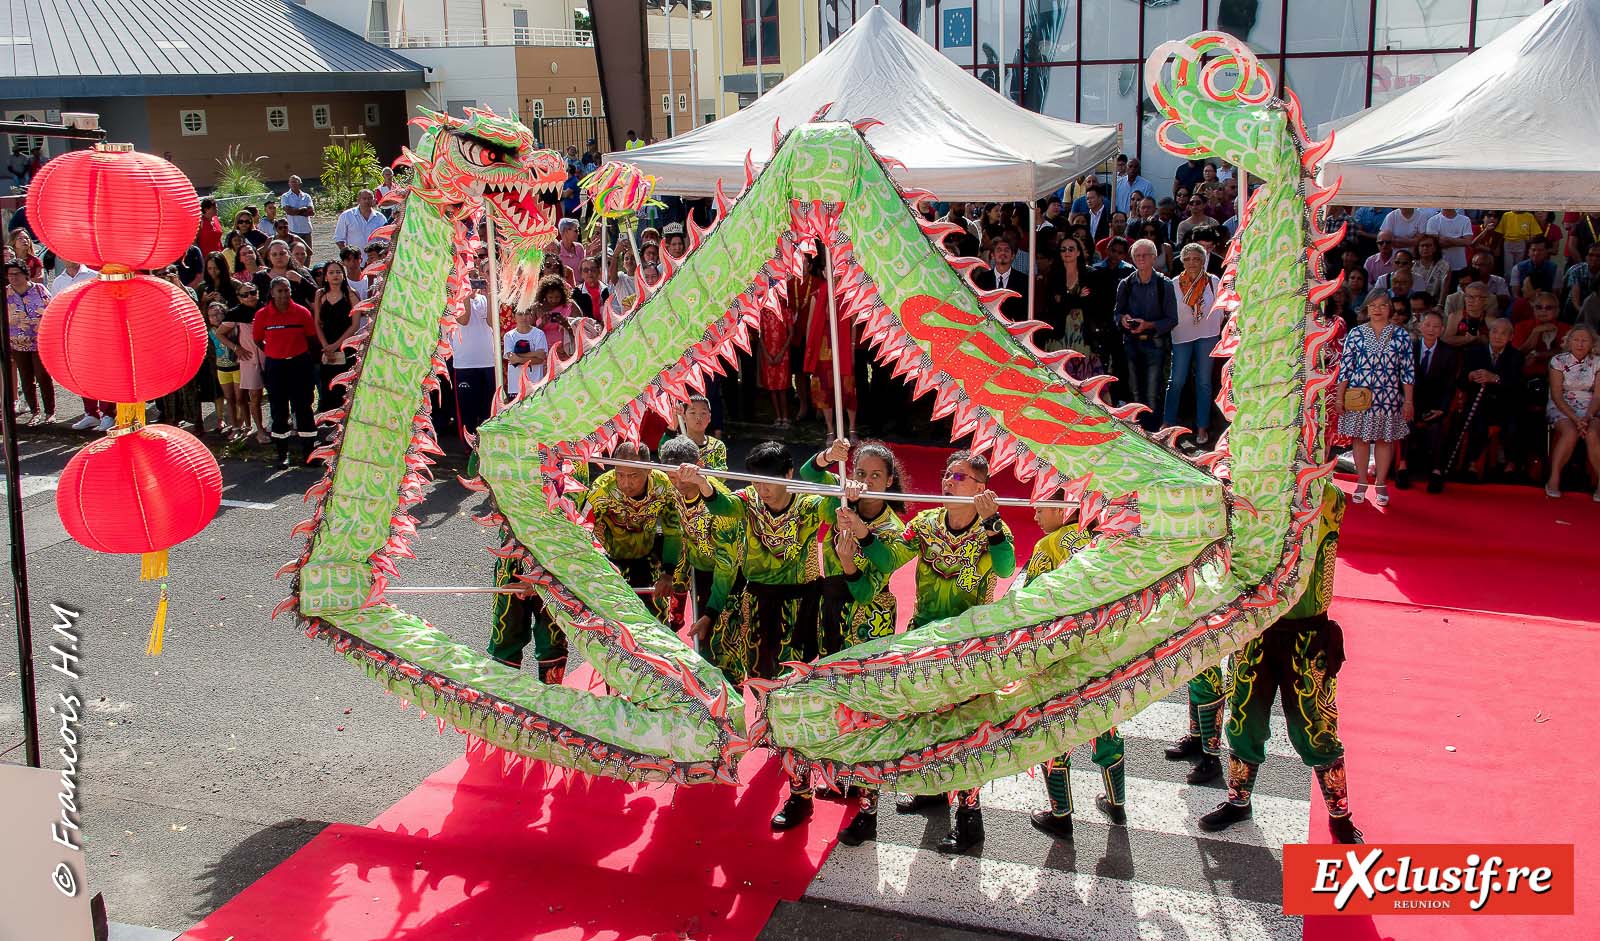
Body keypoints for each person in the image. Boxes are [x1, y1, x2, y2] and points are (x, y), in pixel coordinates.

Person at [864, 451, 1014, 855]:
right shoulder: (926, 524)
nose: (948, 481)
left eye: (959, 476)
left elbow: (1005, 568)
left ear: (981, 490)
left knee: (963, 731)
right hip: (925, 640)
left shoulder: (992, 529)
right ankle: (931, 791)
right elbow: (888, 557)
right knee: (927, 720)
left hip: (968, 647)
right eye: (947, 475)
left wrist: (993, 524)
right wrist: (861, 535)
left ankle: (970, 822)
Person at [1200, 486, 1363, 844]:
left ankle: (1339, 814)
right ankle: (1238, 801)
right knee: (1244, 720)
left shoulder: (1327, 496)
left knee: (1316, 728)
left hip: (1307, 636)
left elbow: (1323, 505)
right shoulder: (1254, 497)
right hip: (1257, 630)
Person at [1018, 501, 1127, 841]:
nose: (1034, 516)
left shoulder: (1048, 546)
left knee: (1054, 730)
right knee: (1105, 726)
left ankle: (1060, 813)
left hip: (1060, 655)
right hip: (1101, 652)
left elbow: (1030, 602)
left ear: (1063, 508)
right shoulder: (1106, 540)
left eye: (1041, 508)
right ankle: (1117, 802)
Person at [1337, 290, 1416, 506]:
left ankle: (1380, 483)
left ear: (1390, 308)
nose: (1377, 309)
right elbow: (1346, 367)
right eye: (1373, 305)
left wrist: (1408, 400)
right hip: (1358, 393)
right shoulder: (1355, 333)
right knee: (1360, 438)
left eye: (1382, 305)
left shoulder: (1401, 335)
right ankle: (1361, 481)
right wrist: (1339, 396)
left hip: (1388, 394)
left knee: (1385, 439)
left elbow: (1407, 372)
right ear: (1366, 308)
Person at [252, 277, 320, 467]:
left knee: (303, 408)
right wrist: (274, 352)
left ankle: (308, 452)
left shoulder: (301, 312)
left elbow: (311, 338)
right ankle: (282, 454)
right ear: (272, 293)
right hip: (276, 367)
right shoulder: (262, 315)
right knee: (279, 410)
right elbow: (258, 340)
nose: (283, 295)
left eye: (286, 290)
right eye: (279, 291)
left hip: (299, 365)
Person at [1163, 243, 1223, 443]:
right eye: (1187, 259)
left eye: (1196, 259)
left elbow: (1221, 306)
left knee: (1204, 382)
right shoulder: (1173, 283)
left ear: (1203, 260)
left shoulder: (1213, 281)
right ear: (1182, 261)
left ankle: (1202, 427)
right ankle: (1167, 422)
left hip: (1208, 334)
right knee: (1177, 380)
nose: (1192, 263)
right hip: (1181, 335)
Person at [1113, 239, 1178, 424]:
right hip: (1131, 344)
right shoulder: (1125, 284)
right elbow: (1116, 313)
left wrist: (1148, 325)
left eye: (1145, 255)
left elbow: (1172, 319)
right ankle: (1139, 431)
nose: (1140, 259)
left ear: (1154, 258)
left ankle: (1153, 432)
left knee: (1152, 391)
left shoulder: (1164, 284)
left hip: (1155, 345)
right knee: (1134, 390)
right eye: (1137, 256)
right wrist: (1123, 320)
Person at [1397, 311, 1460, 493]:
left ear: (1441, 330)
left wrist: (1442, 408)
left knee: (1437, 428)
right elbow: (1400, 380)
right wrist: (1406, 402)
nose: (1431, 329)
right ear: (1420, 327)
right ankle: (1403, 466)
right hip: (1411, 402)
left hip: (1435, 405)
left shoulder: (1449, 354)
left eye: (1436, 326)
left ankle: (1436, 471)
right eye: (1427, 325)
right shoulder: (1410, 349)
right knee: (1406, 423)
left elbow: (1450, 385)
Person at [1455, 318, 1523, 481]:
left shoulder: (1516, 356)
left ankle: (1510, 465)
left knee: (1514, 422)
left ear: (1511, 337)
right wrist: (1470, 376)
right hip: (1479, 402)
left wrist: (1496, 378)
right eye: (1494, 331)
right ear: (1489, 333)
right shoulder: (1474, 352)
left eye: (1503, 333)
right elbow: (1461, 381)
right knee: (1478, 423)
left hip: (1504, 403)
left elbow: (1518, 385)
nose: (1498, 336)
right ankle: (1472, 464)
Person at [1543, 325, 1600, 500]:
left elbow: (1598, 396)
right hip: (1563, 406)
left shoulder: (1598, 362)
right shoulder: (1558, 361)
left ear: (1592, 343)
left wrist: (1587, 416)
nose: (1580, 344)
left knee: (1592, 434)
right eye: (1576, 339)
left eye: (1584, 340)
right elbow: (1557, 395)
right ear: (1569, 341)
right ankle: (1554, 479)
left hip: (1591, 407)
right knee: (1570, 433)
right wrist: (1576, 419)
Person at [804, 254, 858, 439]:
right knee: (824, 392)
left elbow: (853, 323)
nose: (832, 272)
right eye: (828, 269)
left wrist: (851, 347)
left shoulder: (847, 295)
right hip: (822, 352)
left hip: (842, 350)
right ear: (824, 272)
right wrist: (809, 352)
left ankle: (851, 429)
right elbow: (810, 327)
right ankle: (830, 430)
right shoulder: (816, 295)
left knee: (847, 389)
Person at [4, 262, 53, 424]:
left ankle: (50, 412)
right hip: (17, 343)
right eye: (10, 274)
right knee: (26, 378)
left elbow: (51, 311)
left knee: (42, 376)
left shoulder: (39, 290)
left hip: (40, 342)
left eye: (16, 273)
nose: (13, 277)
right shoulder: (6, 293)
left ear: (25, 274)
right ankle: (35, 412)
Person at [451, 275, 497, 436]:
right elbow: (464, 319)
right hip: (465, 364)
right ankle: (467, 447)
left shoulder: (485, 299)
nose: (473, 282)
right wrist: (464, 294)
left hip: (488, 362)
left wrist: (491, 294)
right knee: (467, 412)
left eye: (476, 278)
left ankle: (487, 446)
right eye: (469, 279)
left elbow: (493, 322)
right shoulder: (453, 300)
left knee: (488, 411)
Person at [225, 281, 269, 442]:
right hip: (249, 360)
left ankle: (277, 425)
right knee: (255, 396)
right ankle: (260, 430)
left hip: (270, 357)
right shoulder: (234, 313)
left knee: (276, 394)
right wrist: (236, 348)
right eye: (244, 294)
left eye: (252, 292)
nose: (249, 297)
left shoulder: (266, 308)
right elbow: (220, 333)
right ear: (239, 297)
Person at [312, 262, 358, 415]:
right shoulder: (320, 295)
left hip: (346, 346)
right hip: (327, 347)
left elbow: (355, 324)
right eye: (331, 272)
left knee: (345, 387)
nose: (335, 275)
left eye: (338, 272)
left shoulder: (350, 294)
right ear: (325, 276)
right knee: (328, 385)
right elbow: (318, 322)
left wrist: (336, 345)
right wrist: (326, 345)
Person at [972, 237, 1027, 320]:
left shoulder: (1024, 280)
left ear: (1013, 256)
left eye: (1007, 250)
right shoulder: (982, 279)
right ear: (992, 256)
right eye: (999, 250)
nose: (1003, 253)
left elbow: (1025, 309)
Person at [502, 305, 550, 399]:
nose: (524, 317)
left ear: (531, 315)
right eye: (520, 314)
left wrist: (519, 358)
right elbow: (512, 358)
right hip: (516, 387)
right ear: (513, 316)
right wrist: (535, 353)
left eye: (527, 314)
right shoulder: (509, 336)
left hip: (535, 384)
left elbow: (540, 359)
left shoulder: (539, 334)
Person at [1424, 207, 1475, 272]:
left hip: (1460, 266)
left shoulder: (1465, 220)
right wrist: (1460, 240)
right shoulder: (1432, 220)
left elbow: (1468, 242)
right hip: (1439, 267)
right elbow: (1433, 245)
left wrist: (1445, 238)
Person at [1411, 234, 1450, 301]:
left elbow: (1444, 288)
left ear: (1435, 248)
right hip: (1414, 300)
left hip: (1434, 301)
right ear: (1418, 248)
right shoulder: (1412, 265)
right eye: (1422, 246)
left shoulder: (1444, 265)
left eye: (1429, 246)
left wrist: (1439, 305)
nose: (1425, 248)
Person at [279, 176, 315, 248]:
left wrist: (295, 211)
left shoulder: (306, 196)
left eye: (295, 182)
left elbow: (311, 212)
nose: (293, 184)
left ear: (300, 184)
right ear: (289, 184)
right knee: (295, 252)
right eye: (291, 182)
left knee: (308, 253)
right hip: (293, 230)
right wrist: (304, 209)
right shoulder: (285, 196)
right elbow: (289, 211)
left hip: (306, 229)